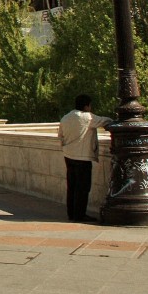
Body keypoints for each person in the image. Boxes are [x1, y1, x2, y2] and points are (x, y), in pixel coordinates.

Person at [58, 94, 112, 222]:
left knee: (72, 186)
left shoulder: (65, 118)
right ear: (86, 105)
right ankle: (79, 214)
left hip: (68, 155)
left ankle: (71, 213)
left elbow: (60, 136)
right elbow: (106, 121)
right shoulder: (87, 117)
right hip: (82, 157)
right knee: (82, 188)